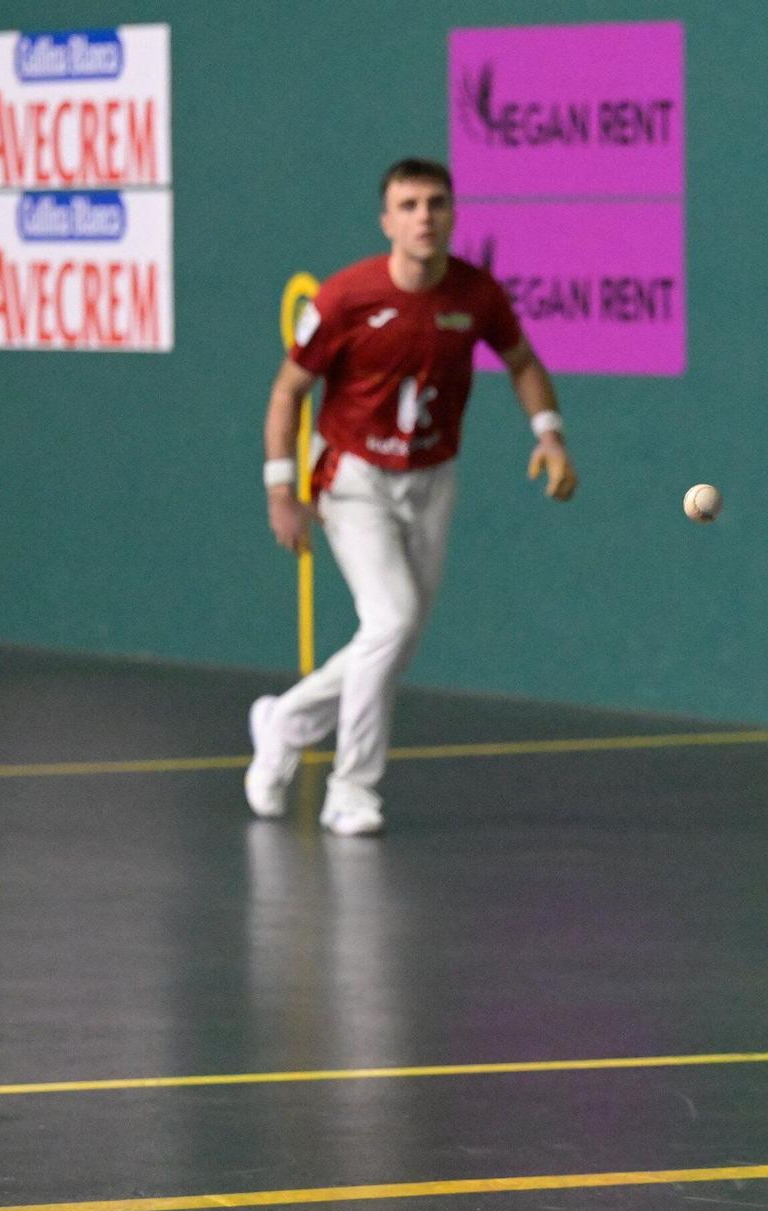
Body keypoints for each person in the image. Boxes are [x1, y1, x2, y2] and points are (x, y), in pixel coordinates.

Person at [246, 157, 578, 836]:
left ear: (453, 213)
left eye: (436, 203)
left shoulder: (476, 293)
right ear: (386, 220)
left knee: (393, 635)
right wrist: (280, 487)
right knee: (392, 621)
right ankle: (350, 788)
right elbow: (287, 391)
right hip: (352, 476)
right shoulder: (345, 297)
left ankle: (285, 720)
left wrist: (550, 436)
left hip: (431, 476)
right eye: (409, 205)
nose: (424, 216)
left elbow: (522, 363)